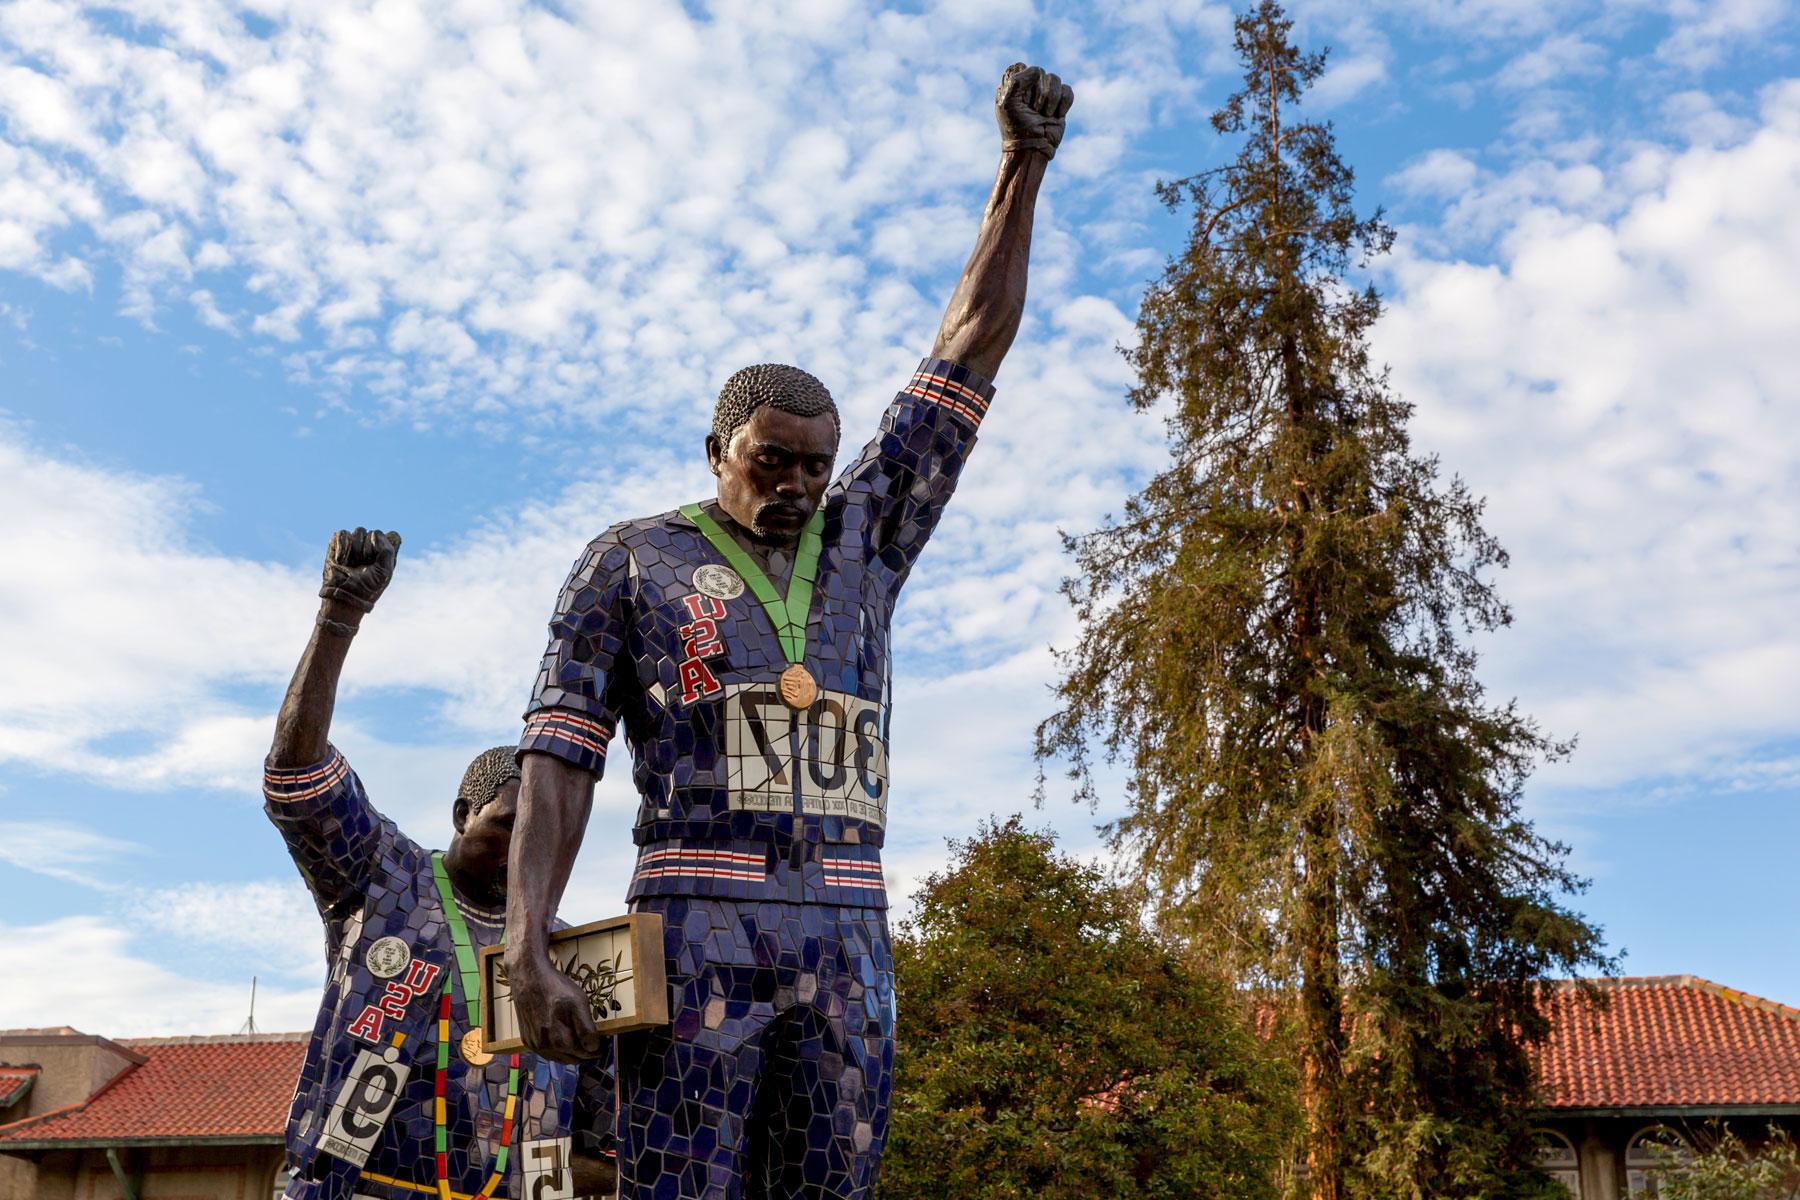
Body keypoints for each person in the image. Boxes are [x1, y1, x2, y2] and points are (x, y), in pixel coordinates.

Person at [503, 63, 1074, 1200]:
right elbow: (559, 759)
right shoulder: (630, 558)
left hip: (847, 927)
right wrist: (527, 939)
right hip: (697, 921)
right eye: (773, 460)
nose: (801, 483)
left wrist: (1023, 166)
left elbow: (971, 344)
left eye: (818, 463)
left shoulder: (869, 535)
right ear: (718, 449)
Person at [266, 529, 613, 1200]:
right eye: (511, 827)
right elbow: (297, 776)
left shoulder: (568, 955)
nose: (527, 854)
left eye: (546, 837)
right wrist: (338, 618)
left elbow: (598, 1134)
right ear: (463, 815)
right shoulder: (384, 879)